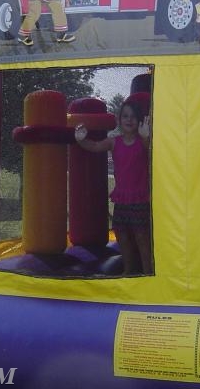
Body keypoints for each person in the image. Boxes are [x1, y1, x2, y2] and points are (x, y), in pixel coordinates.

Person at [74, 100, 152, 275]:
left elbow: (150, 150)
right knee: (122, 236)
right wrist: (81, 140)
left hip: (140, 199)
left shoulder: (142, 142)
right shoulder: (114, 142)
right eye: (125, 116)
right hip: (122, 200)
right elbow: (94, 146)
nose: (129, 120)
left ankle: (148, 272)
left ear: (139, 120)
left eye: (133, 116)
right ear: (119, 120)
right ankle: (128, 269)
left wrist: (146, 137)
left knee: (142, 238)